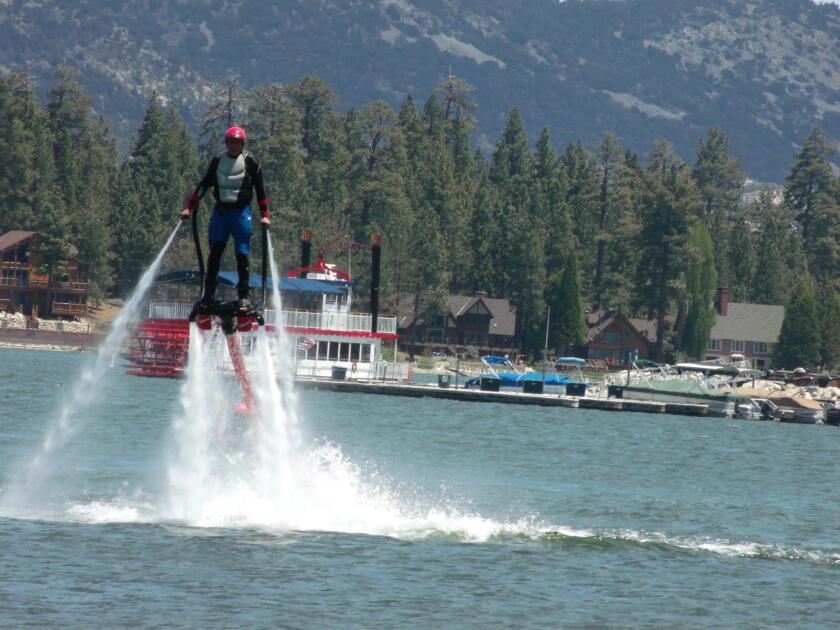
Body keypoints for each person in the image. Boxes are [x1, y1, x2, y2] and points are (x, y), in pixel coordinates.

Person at [181, 126, 270, 312]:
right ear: (226, 143)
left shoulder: (250, 162)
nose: (233, 146)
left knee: (242, 254)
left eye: (237, 142)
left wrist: (265, 216)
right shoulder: (217, 161)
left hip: (241, 213)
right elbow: (203, 185)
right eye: (230, 142)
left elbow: (261, 191)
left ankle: (244, 296)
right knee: (215, 253)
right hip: (221, 213)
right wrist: (189, 208)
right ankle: (209, 295)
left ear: (242, 144)